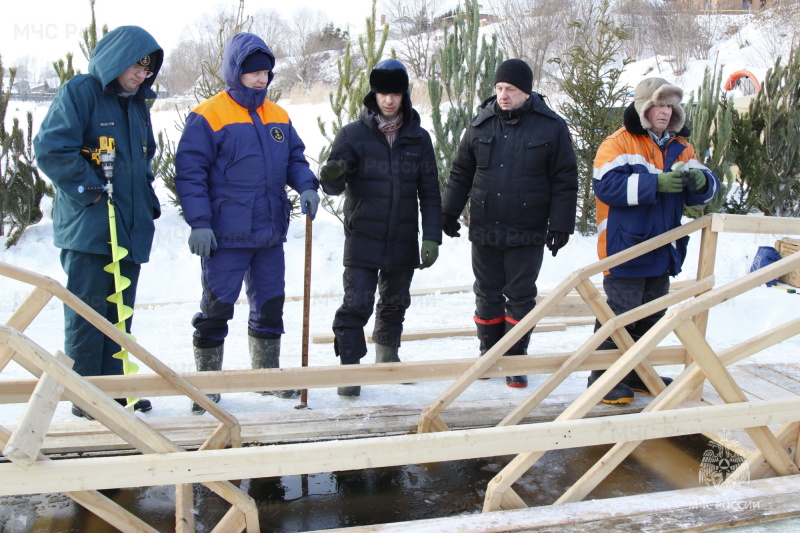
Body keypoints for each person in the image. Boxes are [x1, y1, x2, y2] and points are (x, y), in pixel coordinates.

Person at [175, 32, 320, 411]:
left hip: (269, 233)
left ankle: (266, 378)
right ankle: (208, 384)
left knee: (271, 304)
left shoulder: (278, 116)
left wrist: (305, 185)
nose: (261, 79)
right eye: (253, 72)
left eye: (266, 73)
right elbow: (190, 173)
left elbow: (295, 159)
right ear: (235, 71)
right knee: (217, 307)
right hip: (225, 235)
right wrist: (199, 222)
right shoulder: (209, 115)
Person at [34, 26, 163, 419]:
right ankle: (86, 396)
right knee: (88, 314)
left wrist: (148, 200)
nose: (142, 76)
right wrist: (92, 189)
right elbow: (52, 148)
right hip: (90, 228)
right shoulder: (81, 92)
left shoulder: (138, 104)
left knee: (119, 310)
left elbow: (144, 160)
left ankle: (116, 390)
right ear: (118, 59)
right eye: (136, 67)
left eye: (148, 70)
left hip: (130, 225)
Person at [441, 59, 578, 388]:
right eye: (499, 88)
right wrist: (448, 211)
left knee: (520, 295)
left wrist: (560, 224)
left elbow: (564, 178)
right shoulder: (480, 123)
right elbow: (461, 172)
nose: (503, 95)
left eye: (511, 90)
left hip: (527, 226)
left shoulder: (551, 126)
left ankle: (515, 359)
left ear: (526, 92)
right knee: (486, 293)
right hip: (486, 223)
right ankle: (489, 354)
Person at [591, 77, 720, 403]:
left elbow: (704, 191)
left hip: (663, 247)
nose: (664, 112)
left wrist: (702, 181)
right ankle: (603, 377)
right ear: (644, 108)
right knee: (621, 314)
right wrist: (657, 184)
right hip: (626, 247)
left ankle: (635, 372)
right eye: (658, 105)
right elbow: (605, 187)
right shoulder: (618, 143)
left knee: (652, 313)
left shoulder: (681, 146)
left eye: (670, 106)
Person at [318, 59, 442, 397]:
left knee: (395, 301)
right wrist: (331, 177)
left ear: (404, 95)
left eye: (395, 93)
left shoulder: (418, 138)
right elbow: (333, 182)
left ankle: (388, 359)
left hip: (402, 236)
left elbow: (429, 191)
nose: (389, 100)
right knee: (356, 303)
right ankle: (349, 368)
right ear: (374, 93)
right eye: (383, 93)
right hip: (363, 237)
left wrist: (431, 236)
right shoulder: (353, 135)